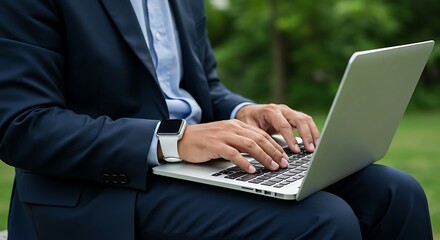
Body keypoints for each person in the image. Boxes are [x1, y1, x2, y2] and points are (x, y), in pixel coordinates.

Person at [0, 0, 433, 239]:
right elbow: (22, 126)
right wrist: (174, 139)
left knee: (395, 192)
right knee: (323, 220)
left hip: (196, 168)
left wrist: (244, 112)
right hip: (98, 189)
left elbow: (202, 90)